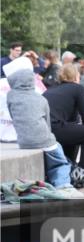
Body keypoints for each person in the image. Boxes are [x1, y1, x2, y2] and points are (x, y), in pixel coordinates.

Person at [4, 57, 78, 192]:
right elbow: (47, 124)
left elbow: (13, 116)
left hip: (23, 141)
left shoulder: (11, 96)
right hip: (44, 139)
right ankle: (63, 185)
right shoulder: (41, 98)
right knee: (60, 161)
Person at [42, 64, 84, 187]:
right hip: (57, 128)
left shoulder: (50, 90)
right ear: (76, 75)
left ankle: (70, 172)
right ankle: (81, 174)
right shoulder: (77, 88)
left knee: (73, 131)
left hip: (45, 131)